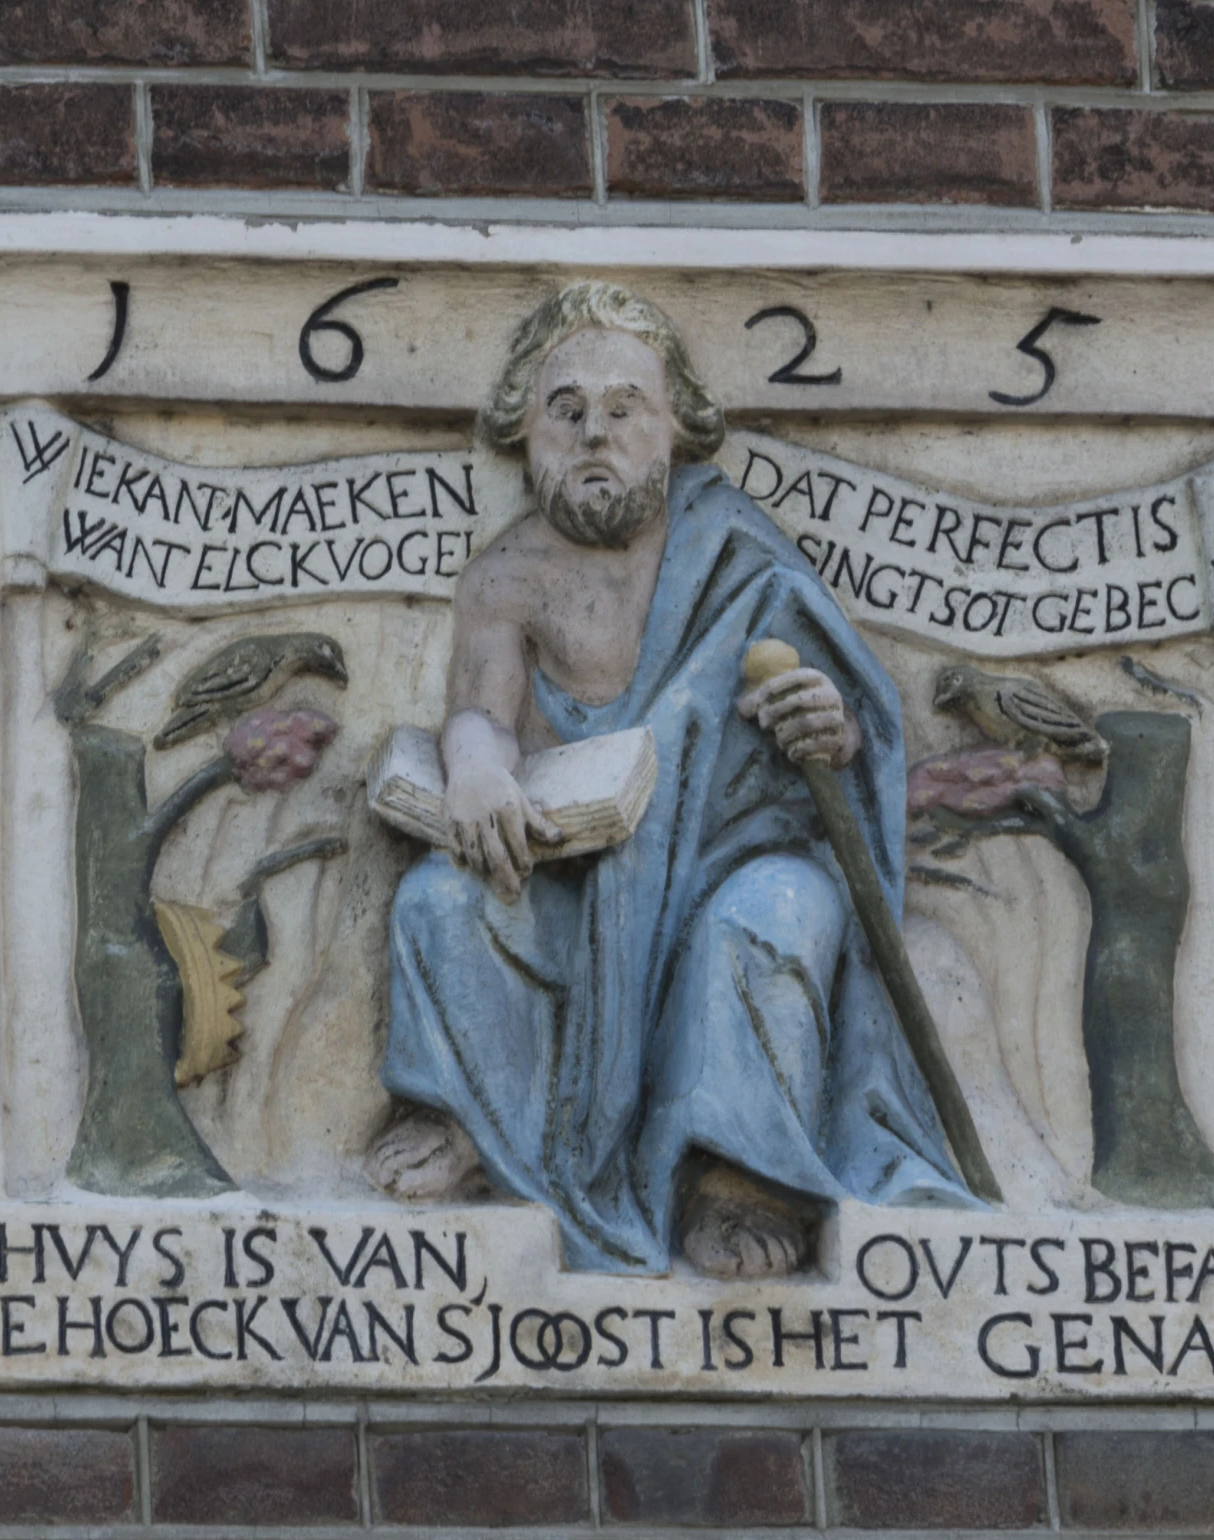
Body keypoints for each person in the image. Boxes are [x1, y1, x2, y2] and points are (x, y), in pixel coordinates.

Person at [363, 280, 973, 1277]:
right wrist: (474, 763)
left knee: (770, 913)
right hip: (580, 888)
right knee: (437, 901)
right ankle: (474, 1115)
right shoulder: (505, 577)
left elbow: (848, 726)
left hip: (726, 875)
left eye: (622, 408)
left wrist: (828, 725)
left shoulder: (736, 553)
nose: (593, 434)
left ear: (675, 429)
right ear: (523, 427)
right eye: (565, 410)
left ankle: (736, 1170)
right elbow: (480, 707)